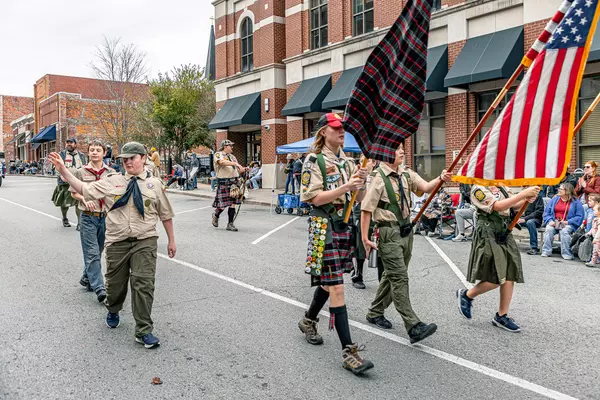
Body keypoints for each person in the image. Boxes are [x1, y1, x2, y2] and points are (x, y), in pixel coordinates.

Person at [48, 141, 176, 349]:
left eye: (132, 158)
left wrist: (171, 240)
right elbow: (84, 188)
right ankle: (113, 308)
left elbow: (166, 214)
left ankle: (144, 329)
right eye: (124, 159)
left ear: (143, 158)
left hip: (145, 240)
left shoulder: (155, 185)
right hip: (117, 241)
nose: (127, 162)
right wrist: (63, 169)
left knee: (143, 283)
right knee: (115, 285)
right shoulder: (112, 181)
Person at [297, 112, 373, 375]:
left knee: (331, 281)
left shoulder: (349, 163)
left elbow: (360, 197)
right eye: (336, 128)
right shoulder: (313, 160)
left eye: (343, 129)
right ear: (323, 133)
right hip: (323, 225)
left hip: (343, 224)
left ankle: (308, 320)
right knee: (337, 287)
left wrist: (362, 181)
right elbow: (312, 198)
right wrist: (345, 188)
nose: (342, 132)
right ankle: (348, 352)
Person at [362, 143, 451, 343]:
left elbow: (426, 188)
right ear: (386, 153)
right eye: (397, 149)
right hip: (387, 231)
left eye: (402, 148)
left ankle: (375, 312)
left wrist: (441, 178)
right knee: (399, 278)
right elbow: (366, 210)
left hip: (405, 231)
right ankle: (413, 325)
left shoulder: (406, 174)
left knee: (391, 275)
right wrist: (365, 239)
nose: (402, 152)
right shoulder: (377, 178)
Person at [457, 184, 541, 333]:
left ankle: (501, 316)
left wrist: (527, 199)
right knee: (495, 277)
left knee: (510, 273)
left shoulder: (500, 184)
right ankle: (467, 295)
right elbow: (497, 206)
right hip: (488, 231)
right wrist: (523, 194)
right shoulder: (478, 188)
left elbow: (512, 205)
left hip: (504, 230)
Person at [69, 140, 114, 302]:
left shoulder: (110, 173)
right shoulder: (81, 172)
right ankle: (100, 288)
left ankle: (87, 278)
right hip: (88, 216)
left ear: (104, 153)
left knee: (99, 250)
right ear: (88, 153)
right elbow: (74, 192)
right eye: (92, 150)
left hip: (104, 217)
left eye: (98, 150)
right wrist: (84, 198)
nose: (95, 152)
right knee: (92, 253)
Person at [541, 183, 585, 260]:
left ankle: (566, 253)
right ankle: (546, 251)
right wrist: (550, 220)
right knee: (549, 229)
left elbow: (579, 216)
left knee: (564, 231)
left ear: (567, 191)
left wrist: (567, 222)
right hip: (555, 221)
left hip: (568, 223)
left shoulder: (576, 202)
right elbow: (547, 212)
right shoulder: (555, 199)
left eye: (561, 189)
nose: (559, 190)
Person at [51, 138, 87, 229]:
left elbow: (85, 167)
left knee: (79, 202)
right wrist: (61, 175)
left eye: (71, 143)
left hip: (78, 182)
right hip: (64, 183)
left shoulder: (81, 155)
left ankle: (80, 223)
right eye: (67, 143)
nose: (68, 144)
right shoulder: (61, 155)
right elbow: (56, 167)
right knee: (64, 203)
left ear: (75, 144)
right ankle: (64, 218)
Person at [212, 139, 246, 232]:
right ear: (225, 146)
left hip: (234, 182)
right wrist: (235, 163)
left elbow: (238, 169)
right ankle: (216, 214)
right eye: (230, 146)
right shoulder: (218, 154)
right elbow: (221, 162)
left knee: (233, 204)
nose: (232, 147)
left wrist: (243, 169)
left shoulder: (232, 157)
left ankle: (230, 224)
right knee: (223, 205)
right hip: (224, 181)